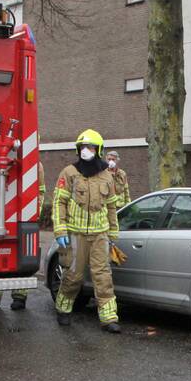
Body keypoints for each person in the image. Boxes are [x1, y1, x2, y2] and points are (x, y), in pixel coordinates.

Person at [52, 129, 121, 332]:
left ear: (98, 150)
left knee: (103, 276)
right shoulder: (69, 173)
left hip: (100, 235)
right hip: (76, 234)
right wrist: (60, 231)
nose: (85, 151)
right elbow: (59, 202)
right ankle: (63, 309)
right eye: (82, 147)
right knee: (73, 276)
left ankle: (109, 318)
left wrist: (113, 234)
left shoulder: (107, 176)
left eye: (90, 147)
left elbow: (111, 207)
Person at [0, 161, 46, 311]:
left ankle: (19, 296)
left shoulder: (35, 165)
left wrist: (34, 212)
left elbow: (40, 191)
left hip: (22, 215)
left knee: (22, 258)